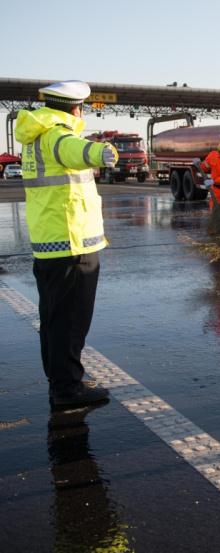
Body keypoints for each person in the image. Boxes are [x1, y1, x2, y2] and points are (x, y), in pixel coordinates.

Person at [15, 80, 118, 407]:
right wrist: (103, 152)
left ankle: (60, 382)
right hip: (72, 244)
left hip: (50, 241)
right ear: (75, 108)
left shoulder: (36, 138)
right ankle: (67, 390)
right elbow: (80, 152)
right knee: (71, 322)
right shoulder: (59, 135)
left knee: (54, 320)